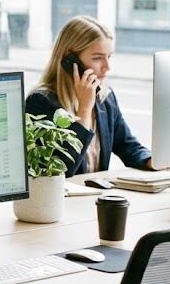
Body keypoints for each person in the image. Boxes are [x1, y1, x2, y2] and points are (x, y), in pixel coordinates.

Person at [27, 15, 153, 176]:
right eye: (98, 58)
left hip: (95, 196)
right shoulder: (41, 101)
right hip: (64, 199)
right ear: (69, 59)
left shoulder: (105, 97)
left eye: (109, 56)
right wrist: (85, 109)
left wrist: (152, 160)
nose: (107, 67)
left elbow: (127, 146)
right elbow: (59, 172)